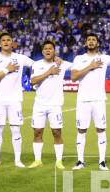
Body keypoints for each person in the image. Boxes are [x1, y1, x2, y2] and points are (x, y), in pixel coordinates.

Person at [70, 33, 110, 170]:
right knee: (81, 130)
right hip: (83, 100)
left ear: (98, 43)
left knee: (101, 129)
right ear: (85, 43)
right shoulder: (79, 58)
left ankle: (102, 161)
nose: (91, 42)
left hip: (99, 100)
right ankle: (80, 161)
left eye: (94, 40)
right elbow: (74, 77)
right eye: (89, 40)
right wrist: (90, 66)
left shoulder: (104, 58)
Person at [0, 32, 34, 168]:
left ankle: (18, 160)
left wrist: (56, 59)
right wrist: (7, 70)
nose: (6, 42)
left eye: (8, 40)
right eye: (3, 40)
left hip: (15, 99)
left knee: (15, 129)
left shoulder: (20, 58)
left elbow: (37, 64)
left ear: (12, 42)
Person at [28, 40, 71, 169]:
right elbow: (32, 81)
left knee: (57, 132)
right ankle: (37, 160)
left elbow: (77, 66)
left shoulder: (61, 64)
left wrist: (61, 61)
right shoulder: (37, 64)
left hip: (55, 105)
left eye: (50, 48)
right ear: (42, 51)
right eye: (45, 48)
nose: (47, 50)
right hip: (39, 105)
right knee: (37, 132)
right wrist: (49, 72)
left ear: (54, 51)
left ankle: (59, 161)